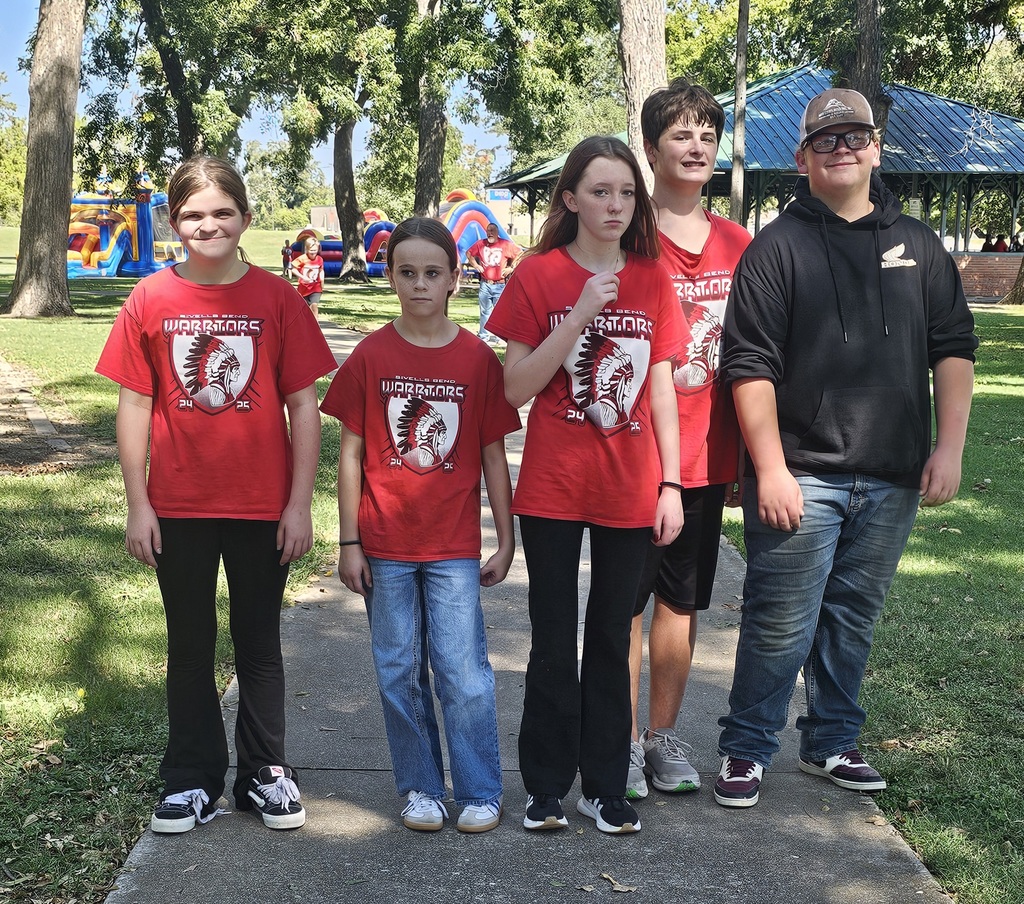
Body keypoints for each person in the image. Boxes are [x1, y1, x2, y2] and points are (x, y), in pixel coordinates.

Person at [715, 88, 977, 808]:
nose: (843, 148)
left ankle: (830, 742)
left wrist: (948, 449)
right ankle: (746, 749)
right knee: (780, 619)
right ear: (802, 159)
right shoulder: (776, 249)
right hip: (803, 475)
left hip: (893, 473)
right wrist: (768, 467)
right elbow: (749, 365)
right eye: (826, 140)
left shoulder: (920, 246)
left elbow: (953, 350)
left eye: (855, 136)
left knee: (853, 618)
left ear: (877, 147)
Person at [95, 156, 337, 833]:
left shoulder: (278, 300)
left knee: (259, 643)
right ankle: (191, 778)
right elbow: (135, 407)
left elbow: (303, 407)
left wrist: (298, 504)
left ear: (246, 219)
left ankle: (264, 772)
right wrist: (138, 503)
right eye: (194, 215)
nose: (209, 224)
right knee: (191, 642)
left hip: (263, 506)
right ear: (175, 225)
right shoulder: (150, 300)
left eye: (222, 212)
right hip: (178, 506)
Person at [486, 135, 688, 835]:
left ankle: (604, 786)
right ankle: (545, 785)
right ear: (569, 199)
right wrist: (578, 313)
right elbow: (513, 387)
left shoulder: (652, 278)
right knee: (550, 637)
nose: (616, 204)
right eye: (601, 191)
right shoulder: (536, 277)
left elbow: (661, 389)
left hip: (630, 488)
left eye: (627, 192)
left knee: (610, 637)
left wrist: (671, 484)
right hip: (553, 485)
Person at [322, 217, 521, 834]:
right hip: (384, 545)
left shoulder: (475, 360)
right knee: (397, 669)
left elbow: (492, 455)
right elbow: (350, 453)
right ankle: (421, 788)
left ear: (456, 280)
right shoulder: (371, 355)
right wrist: (348, 541)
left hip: (454, 549)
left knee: (463, 672)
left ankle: (480, 788)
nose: (419, 285)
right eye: (406, 273)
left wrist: (506, 537)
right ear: (390, 277)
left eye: (432, 273)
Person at [625, 79, 752, 801]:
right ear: (651, 149)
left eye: (707, 133)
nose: (697, 145)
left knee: (681, 601)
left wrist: (749, 458)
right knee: (621, 604)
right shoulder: (626, 235)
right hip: (632, 457)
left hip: (707, 455)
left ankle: (660, 738)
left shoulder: (741, 245)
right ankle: (615, 739)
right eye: (681, 133)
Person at [464, 222, 519, 345]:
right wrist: (476, 265)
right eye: (488, 230)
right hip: (485, 284)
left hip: (499, 284)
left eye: (492, 230)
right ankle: (484, 336)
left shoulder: (505, 244)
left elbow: (520, 254)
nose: (490, 233)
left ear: (497, 232)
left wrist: (511, 267)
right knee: (485, 311)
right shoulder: (481, 244)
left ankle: (499, 337)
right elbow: (468, 253)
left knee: (500, 311)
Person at [291, 236, 325, 320]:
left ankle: (315, 323)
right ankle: (305, 323)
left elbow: (321, 271)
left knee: (314, 304)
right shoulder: (302, 258)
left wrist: (322, 282)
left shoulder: (319, 259)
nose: (313, 253)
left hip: (316, 287)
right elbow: (293, 269)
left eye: (315, 250)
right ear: (306, 249)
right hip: (304, 287)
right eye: (311, 251)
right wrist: (302, 277)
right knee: (304, 307)